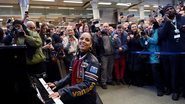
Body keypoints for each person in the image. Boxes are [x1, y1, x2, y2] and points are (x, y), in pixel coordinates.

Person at [47, 32, 100, 104]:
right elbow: (70, 75)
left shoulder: (93, 61)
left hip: (86, 97)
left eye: (87, 40)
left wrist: (63, 91)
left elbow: (88, 84)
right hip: (74, 92)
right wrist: (57, 84)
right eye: (81, 38)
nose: (83, 41)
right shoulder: (75, 57)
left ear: (91, 45)